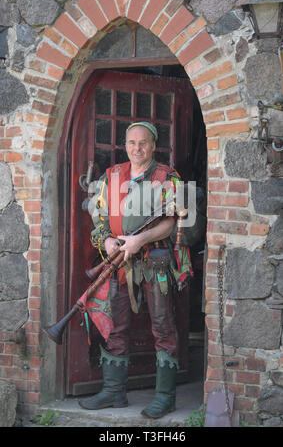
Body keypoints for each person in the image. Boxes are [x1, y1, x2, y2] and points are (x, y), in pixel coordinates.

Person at [78, 122, 189, 419]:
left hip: (155, 261)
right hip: (118, 262)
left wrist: (140, 239)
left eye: (143, 143)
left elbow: (172, 221)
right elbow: (99, 216)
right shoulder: (112, 176)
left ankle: (165, 396)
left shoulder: (167, 177)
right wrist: (109, 240)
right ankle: (114, 392)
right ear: (125, 144)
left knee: (163, 326)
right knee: (116, 325)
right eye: (131, 142)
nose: (136, 148)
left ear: (153, 145)